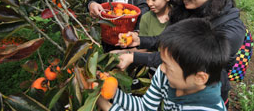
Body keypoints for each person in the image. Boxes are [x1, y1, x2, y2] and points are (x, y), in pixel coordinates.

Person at [116, 0, 246, 107]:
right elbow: (168, 40)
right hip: (177, 88)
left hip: (203, 100)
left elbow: (181, 58)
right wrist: (139, 40)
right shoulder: (188, 8)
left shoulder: (229, 30)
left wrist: (134, 57)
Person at [97, 18, 230, 111]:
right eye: (162, 61)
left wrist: (107, 107)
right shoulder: (165, 75)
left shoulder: (206, 108)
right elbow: (145, 107)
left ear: (199, 78)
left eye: (167, 66)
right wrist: (113, 92)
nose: (161, 68)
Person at [114, 0, 174, 71]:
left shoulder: (178, 17)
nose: (149, 3)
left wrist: (131, 56)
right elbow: (143, 49)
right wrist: (122, 52)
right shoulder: (146, 18)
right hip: (150, 68)